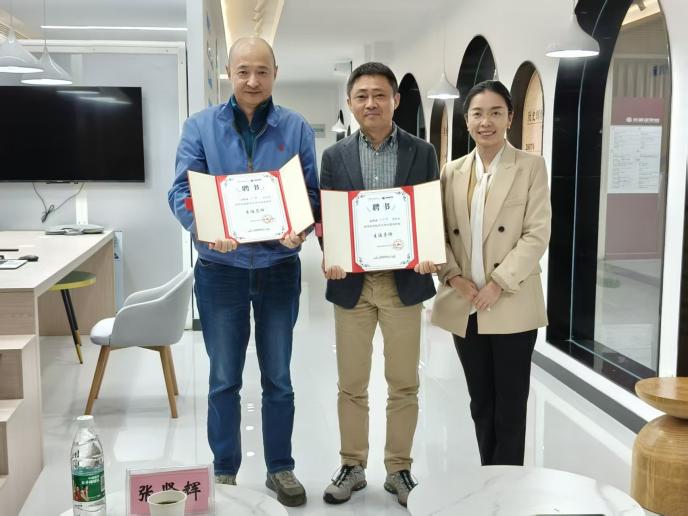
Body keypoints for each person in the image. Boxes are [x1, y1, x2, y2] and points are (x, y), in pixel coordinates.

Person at [167, 36, 319, 507]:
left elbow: (311, 193)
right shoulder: (200, 127)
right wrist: (205, 228)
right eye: (243, 71)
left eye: (262, 71)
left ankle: (280, 468)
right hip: (221, 271)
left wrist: (301, 227)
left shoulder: (295, 127)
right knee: (223, 379)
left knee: (279, 378)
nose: (253, 81)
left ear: (275, 73)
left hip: (279, 268)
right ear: (229, 74)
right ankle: (224, 471)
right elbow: (181, 192)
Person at [319, 62, 439, 507]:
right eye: (362, 96)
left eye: (379, 95)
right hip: (352, 285)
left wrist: (428, 249)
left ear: (396, 100)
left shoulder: (422, 152)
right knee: (351, 383)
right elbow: (328, 220)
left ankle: (398, 469)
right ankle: (352, 465)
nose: (371, 103)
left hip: (403, 284)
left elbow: (429, 210)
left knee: (403, 382)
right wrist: (331, 255)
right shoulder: (334, 157)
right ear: (350, 103)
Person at [431, 80, 551, 466]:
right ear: (467, 120)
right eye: (478, 114)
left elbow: (536, 233)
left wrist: (499, 283)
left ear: (510, 118)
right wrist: (453, 277)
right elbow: (437, 232)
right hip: (466, 303)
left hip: (511, 301)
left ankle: (509, 484)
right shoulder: (451, 171)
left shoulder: (530, 167)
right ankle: (489, 477)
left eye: (496, 113)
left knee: (511, 404)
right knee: (481, 401)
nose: (486, 122)